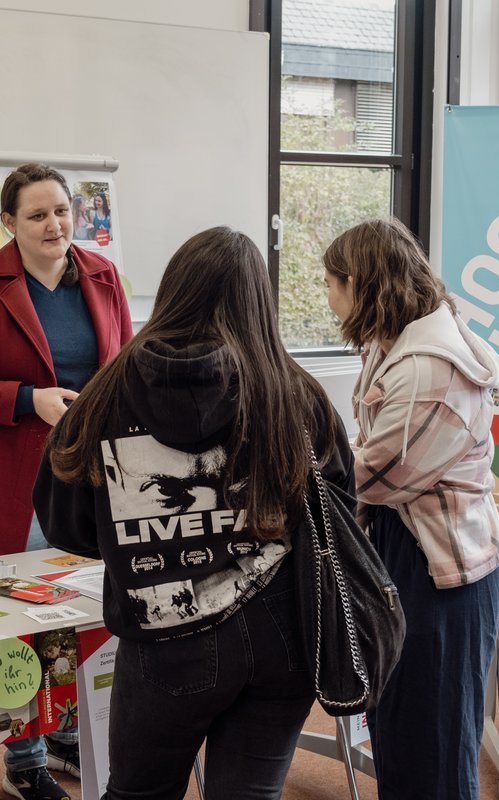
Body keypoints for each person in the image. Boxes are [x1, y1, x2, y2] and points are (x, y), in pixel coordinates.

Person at [34, 226, 352, 800]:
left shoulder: (102, 396)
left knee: (138, 794)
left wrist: (141, 542)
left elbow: (65, 522)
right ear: (260, 299)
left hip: (162, 634)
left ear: (173, 291)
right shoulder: (297, 395)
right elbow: (340, 512)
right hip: (287, 633)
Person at [0, 162, 132, 800]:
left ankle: (66, 733)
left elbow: (123, 364)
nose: (54, 224)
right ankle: (23, 763)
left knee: (75, 615)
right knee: (11, 620)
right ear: (7, 222)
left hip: (83, 480)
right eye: (37, 214)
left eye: (62, 211)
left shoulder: (102, 273)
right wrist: (25, 399)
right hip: (2, 484)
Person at [322, 217, 499, 800]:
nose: (327, 300)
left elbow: (371, 477)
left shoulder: (429, 367)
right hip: (407, 551)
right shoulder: (397, 344)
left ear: (358, 282)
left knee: (434, 751)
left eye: (330, 285)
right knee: (400, 735)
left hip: (436, 573)